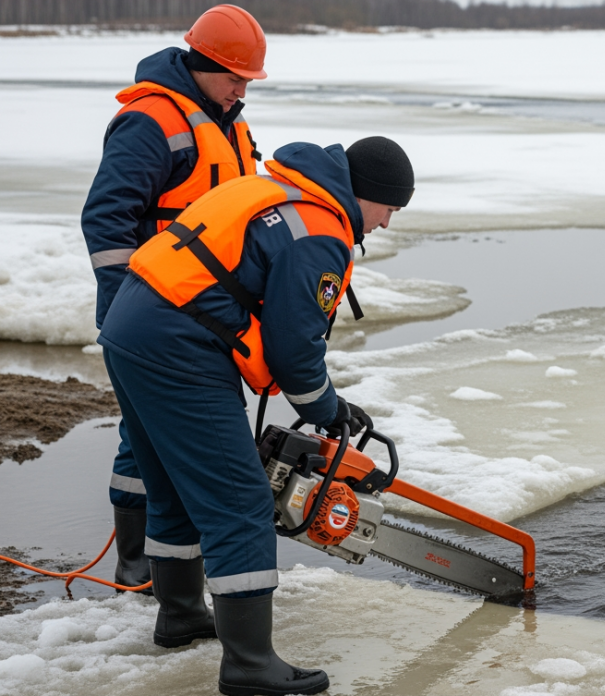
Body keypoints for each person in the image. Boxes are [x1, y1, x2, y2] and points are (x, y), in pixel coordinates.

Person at [98, 137, 414, 696]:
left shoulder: (279, 188)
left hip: (132, 328)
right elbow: (294, 349)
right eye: (390, 209)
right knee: (239, 500)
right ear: (369, 196)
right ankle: (248, 665)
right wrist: (325, 410)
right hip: (178, 347)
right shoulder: (319, 230)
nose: (386, 224)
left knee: (171, 486)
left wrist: (323, 404)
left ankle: (180, 616)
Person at [80, 4, 267, 596]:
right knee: (142, 443)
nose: (241, 91)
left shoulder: (230, 122)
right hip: (154, 313)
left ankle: (163, 572)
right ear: (200, 63)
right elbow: (107, 219)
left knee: (149, 442)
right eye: (234, 77)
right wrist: (121, 303)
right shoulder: (153, 122)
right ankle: (137, 566)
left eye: (248, 81)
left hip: (205, 315)